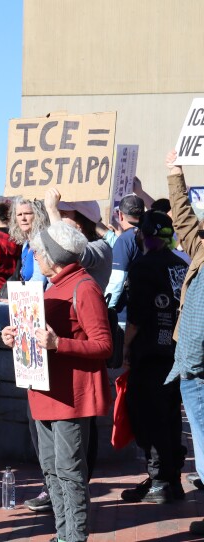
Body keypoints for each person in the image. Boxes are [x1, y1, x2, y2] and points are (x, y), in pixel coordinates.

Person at [1, 221, 112, 542]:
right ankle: (63, 534)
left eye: (38, 251)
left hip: (70, 397)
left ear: (54, 255)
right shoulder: (53, 286)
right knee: (51, 470)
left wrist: (58, 344)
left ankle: (74, 537)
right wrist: (16, 336)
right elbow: (39, 335)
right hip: (45, 391)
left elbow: (103, 346)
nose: (33, 255)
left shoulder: (84, 287)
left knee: (69, 472)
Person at [120, 209, 187, 504]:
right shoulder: (180, 264)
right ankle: (170, 479)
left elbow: (135, 317)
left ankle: (160, 479)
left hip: (149, 353)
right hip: (176, 350)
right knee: (171, 415)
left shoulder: (142, 266)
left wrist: (124, 349)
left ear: (144, 236)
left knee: (149, 416)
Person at [160, 151, 204, 536]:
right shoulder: (201, 248)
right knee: (202, 444)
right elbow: (186, 222)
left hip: (198, 362)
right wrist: (175, 174)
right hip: (193, 363)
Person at [105, 194, 144, 310]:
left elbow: (118, 279)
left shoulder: (124, 240)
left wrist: (108, 308)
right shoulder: (151, 235)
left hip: (127, 311)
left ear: (120, 215)